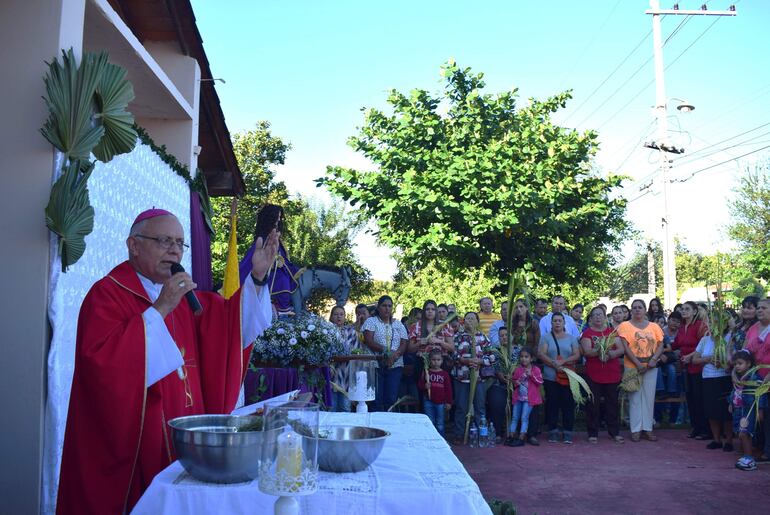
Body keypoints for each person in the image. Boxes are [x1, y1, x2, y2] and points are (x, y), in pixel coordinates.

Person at [57, 209, 277, 514]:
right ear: (133, 245)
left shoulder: (185, 298)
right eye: (164, 241)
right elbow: (102, 367)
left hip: (183, 438)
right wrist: (160, 308)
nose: (174, 250)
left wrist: (257, 277)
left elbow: (230, 327)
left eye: (180, 243)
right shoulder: (107, 295)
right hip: (135, 443)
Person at [238, 204, 300, 317]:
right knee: (283, 280)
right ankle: (282, 307)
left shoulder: (277, 238)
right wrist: (275, 262)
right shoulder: (263, 238)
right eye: (276, 217)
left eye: (279, 218)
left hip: (277, 268)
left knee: (289, 275)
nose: (277, 221)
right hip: (268, 270)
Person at [617, 299, 664, 442]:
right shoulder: (625, 326)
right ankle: (635, 429)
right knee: (635, 399)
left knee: (649, 398)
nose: (637, 310)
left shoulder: (654, 326)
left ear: (645, 310)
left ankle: (648, 428)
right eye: (634, 308)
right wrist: (637, 363)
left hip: (651, 366)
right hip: (632, 366)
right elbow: (625, 347)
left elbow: (661, 344)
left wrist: (653, 360)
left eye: (640, 307)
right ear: (631, 310)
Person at [580, 307, 625, 444]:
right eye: (595, 315)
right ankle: (593, 433)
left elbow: (621, 349)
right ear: (591, 318)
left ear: (605, 317)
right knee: (593, 404)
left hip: (612, 373)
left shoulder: (612, 332)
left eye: (600, 315)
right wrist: (600, 350)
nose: (598, 317)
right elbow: (587, 352)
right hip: (594, 374)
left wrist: (611, 354)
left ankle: (614, 432)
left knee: (612, 403)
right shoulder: (587, 333)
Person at [538, 312, 581, 444]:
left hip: (568, 376)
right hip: (551, 377)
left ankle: (568, 431)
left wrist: (563, 362)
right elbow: (541, 354)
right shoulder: (546, 338)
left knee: (568, 404)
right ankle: (553, 431)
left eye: (559, 321)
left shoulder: (571, 338)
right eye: (555, 321)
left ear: (564, 323)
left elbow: (576, 355)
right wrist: (553, 364)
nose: (557, 323)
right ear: (551, 323)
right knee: (552, 404)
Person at [692, 323, 734, 452]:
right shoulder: (705, 340)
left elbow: (734, 357)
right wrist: (708, 359)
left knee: (726, 411)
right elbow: (694, 359)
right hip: (708, 378)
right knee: (711, 410)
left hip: (724, 377)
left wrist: (724, 361)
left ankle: (729, 440)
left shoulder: (729, 338)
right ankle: (716, 439)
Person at [362, 295, 409, 411]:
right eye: (384, 306)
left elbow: (404, 343)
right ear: (378, 307)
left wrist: (395, 355)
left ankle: (389, 426)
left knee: (391, 398)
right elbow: (369, 340)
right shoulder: (371, 321)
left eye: (389, 306)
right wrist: (386, 351)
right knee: (376, 398)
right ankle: (376, 427)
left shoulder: (398, 324)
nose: (387, 308)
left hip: (395, 364)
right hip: (376, 365)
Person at [451, 312, 491, 442]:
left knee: (480, 407)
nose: (470, 321)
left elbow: (492, 356)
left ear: (477, 322)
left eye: (473, 319)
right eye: (467, 319)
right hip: (462, 377)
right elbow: (452, 354)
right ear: (464, 321)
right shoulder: (458, 337)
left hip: (478, 378)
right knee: (461, 407)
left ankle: (482, 434)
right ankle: (459, 433)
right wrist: (464, 360)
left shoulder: (483, 338)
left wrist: (480, 361)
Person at [675, 301, 710, 439]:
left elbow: (703, 346)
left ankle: (705, 429)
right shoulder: (682, 326)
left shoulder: (700, 326)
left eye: (687, 309)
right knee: (690, 398)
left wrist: (689, 356)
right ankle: (695, 427)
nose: (684, 311)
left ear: (695, 311)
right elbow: (676, 344)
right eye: (682, 309)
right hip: (686, 367)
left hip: (698, 366)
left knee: (699, 398)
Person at [730, 350, 766, 471]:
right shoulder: (739, 378)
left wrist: (760, 409)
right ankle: (747, 456)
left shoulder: (755, 377)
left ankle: (749, 459)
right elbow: (735, 391)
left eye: (740, 363)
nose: (737, 366)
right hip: (742, 409)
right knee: (742, 433)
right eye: (735, 364)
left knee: (744, 433)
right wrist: (731, 403)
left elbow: (761, 393)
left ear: (749, 363)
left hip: (751, 409)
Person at [744, 298, 770, 462]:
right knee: (760, 415)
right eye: (758, 308)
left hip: (768, 376)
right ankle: (759, 445)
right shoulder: (753, 328)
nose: (759, 310)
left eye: (763, 308)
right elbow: (745, 352)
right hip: (756, 377)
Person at [504, 348, 543, 447]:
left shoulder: (535, 369)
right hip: (518, 398)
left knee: (524, 418)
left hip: (529, 400)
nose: (523, 359)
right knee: (515, 417)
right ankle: (511, 436)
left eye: (526, 357)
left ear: (531, 359)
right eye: (521, 357)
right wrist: (514, 382)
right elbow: (514, 381)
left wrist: (532, 375)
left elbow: (540, 382)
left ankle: (522, 437)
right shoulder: (518, 370)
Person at [418, 349, 453, 437]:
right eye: (433, 360)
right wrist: (425, 386)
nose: (436, 362)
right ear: (429, 360)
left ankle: (441, 440)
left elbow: (448, 389)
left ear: (442, 361)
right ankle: (430, 439)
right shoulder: (426, 372)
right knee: (430, 422)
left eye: (438, 360)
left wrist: (449, 402)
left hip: (440, 402)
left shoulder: (444, 374)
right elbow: (420, 385)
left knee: (440, 423)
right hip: (428, 401)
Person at [329, 305, 358, 412]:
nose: (339, 317)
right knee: (332, 408)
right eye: (336, 314)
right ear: (331, 317)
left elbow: (355, 352)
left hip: (346, 376)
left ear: (345, 317)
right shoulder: (326, 331)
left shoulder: (352, 332)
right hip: (331, 376)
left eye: (341, 314)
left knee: (345, 408)